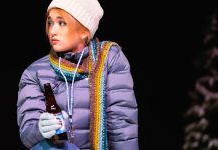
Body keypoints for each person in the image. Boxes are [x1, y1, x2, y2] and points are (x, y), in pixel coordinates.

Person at [17, 0, 139, 149]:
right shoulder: (35, 72)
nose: (52, 31)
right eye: (50, 23)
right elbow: (27, 133)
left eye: (62, 23)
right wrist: (39, 129)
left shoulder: (109, 59)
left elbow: (122, 124)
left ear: (84, 31)